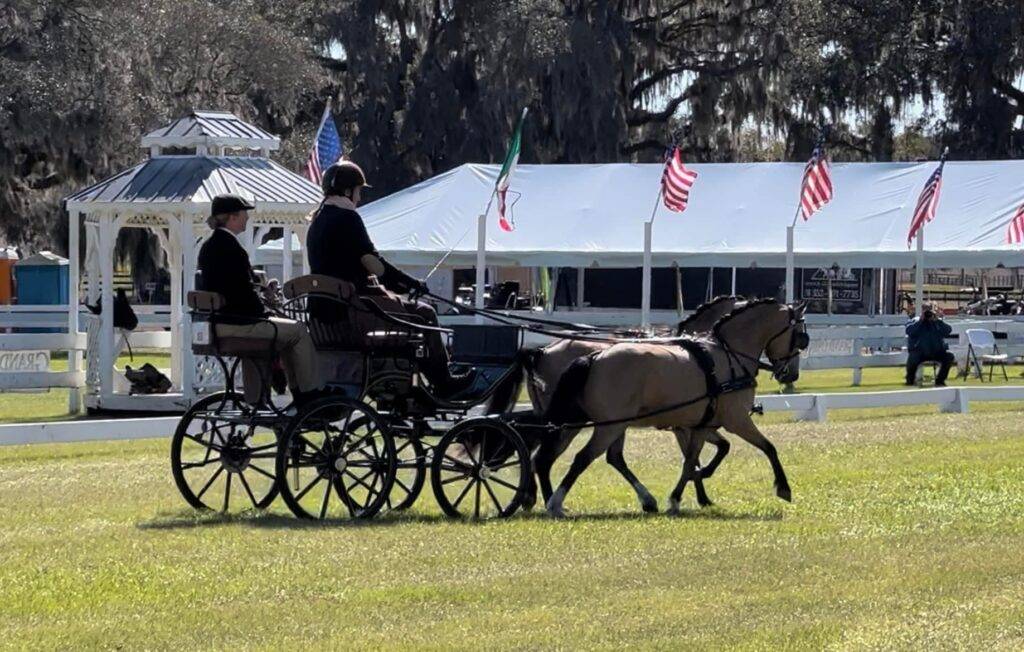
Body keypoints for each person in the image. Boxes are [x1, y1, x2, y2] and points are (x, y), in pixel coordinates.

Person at [306, 161, 474, 397]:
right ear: (347, 191)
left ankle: (420, 388)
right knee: (425, 314)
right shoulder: (347, 218)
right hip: (354, 312)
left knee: (415, 315)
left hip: (325, 320)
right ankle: (443, 382)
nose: (359, 198)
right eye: (358, 191)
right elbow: (374, 264)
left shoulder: (317, 222)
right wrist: (409, 284)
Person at [197, 194, 325, 404]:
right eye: (244, 213)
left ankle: (260, 398)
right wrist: (266, 313)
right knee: (299, 331)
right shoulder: (231, 249)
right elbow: (241, 294)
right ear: (232, 217)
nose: (248, 218)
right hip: (238, 322)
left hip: (219, 322)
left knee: (285, 335)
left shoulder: (209, 246)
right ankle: (309, 392)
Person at [905, 303, 955, 386]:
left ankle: (940, 380)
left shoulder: (936, 322)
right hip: (920, 352)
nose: (927, 313)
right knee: (913, 357)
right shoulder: (915, 320)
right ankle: (910, 380)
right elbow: (909, 331)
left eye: (929, 310)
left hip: (936, 351)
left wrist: (938, 321)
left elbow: (948, 330)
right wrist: (920, 321)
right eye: (925, 310)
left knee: (949, 357)